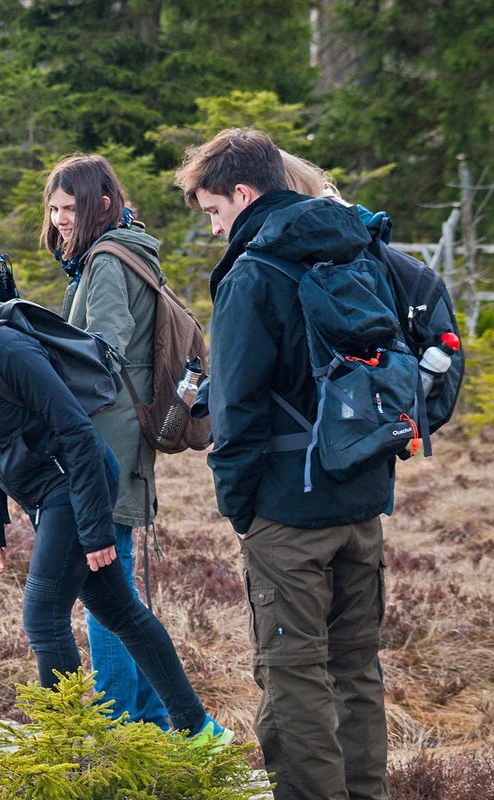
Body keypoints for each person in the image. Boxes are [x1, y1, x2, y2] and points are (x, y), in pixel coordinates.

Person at [0, 269, 234, 746]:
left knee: (43, 618)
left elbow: (79, 435)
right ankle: (201, 731)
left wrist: (95, 529)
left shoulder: (4, 350)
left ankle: (64, 750)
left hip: (74, 487)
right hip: (45, 495)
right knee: (121, 612)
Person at [174, 128, 391, 800]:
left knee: (293, 673)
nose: (214, 228)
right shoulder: (356, 245)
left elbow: (236, 409)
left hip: (287, 513)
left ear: (243, 193)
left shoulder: (253, 273)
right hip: (362, 498)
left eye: (214, 211)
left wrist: (239, 506)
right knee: (357, 670)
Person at [41, 153, 168, 729]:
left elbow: (104, 349)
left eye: (71, 207)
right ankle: (149, 718)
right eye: (55, 208)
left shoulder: (108, 260)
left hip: (107, 438)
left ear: (104, 205)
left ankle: (121, 722)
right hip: (118, 433)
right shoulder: (118, 251)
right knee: (116, 587)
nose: (61, 218)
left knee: (105, 589)